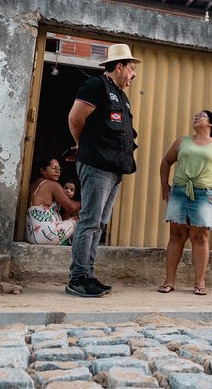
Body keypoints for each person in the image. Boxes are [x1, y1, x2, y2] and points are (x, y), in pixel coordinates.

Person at [66, 43, 141, 297]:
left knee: (99, 223)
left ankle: (88, 274)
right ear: (118, 67)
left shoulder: (121, 95)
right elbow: (75, 120)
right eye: (131, 68)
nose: (134, 74)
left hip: (114, 169)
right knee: (89, 222)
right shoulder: (95, 86)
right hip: (97, 165)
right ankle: (77, 278)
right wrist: (81, 145)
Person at [158, 110, 212, 296]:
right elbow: (166, 161)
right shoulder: (182, 141)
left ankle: (200, 282)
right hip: (179, 191)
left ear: (210, 123)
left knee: (200, 237)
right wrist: (164, 185)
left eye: (201, 115)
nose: (195, 117)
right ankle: (169, 281)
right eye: (194, 115)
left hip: (204, 195)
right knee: (176, 235)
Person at [25, 158, 81, 246]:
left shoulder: (34, 185)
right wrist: (86, 203)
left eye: (59, 169)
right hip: (47, 235)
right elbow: (71, 207)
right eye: (54, 168)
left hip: (32, 237)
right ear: (42, 170)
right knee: (80, 221)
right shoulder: (52, 185)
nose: (57, 171)